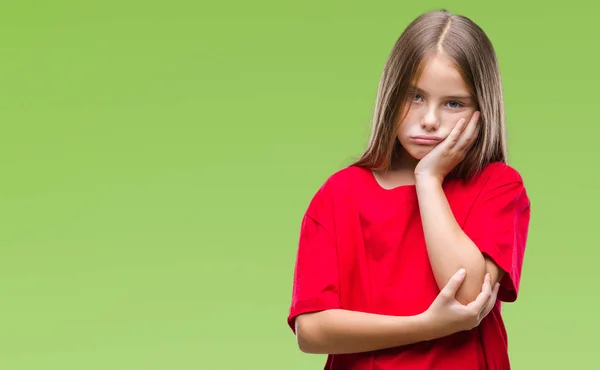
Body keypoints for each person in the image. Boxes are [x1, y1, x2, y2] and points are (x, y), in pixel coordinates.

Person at [286, 8, 531, 370]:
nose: (429, 120)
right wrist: (426, 326)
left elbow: (468, 297)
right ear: (390, 95)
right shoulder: (341, 193)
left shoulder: (498, 186)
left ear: (482, 109)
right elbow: (311, 330)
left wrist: (428, 180)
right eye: (415, 96)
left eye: (453, 103)